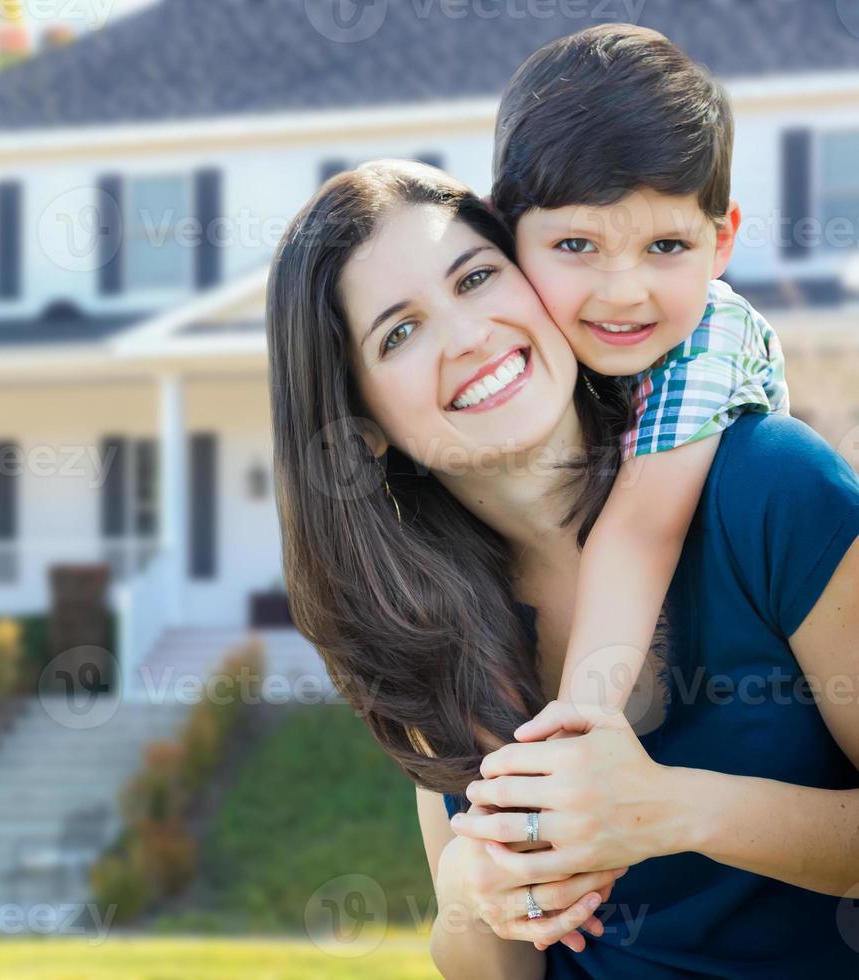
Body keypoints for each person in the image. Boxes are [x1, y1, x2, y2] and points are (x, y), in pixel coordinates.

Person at [265, 158, 859, 976]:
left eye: (475, 278)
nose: (468, 336)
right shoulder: (425, 623)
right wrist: (472, 892)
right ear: (360, 424)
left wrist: (673, 811)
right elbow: (496, 961)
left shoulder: (767, 487)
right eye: (398, 333)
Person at [490, 24, 788, 720]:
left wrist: (581, 721)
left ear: (719, 242)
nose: (623, 292)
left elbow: (641, 533)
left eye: (664, 244)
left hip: (735, 642)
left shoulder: (710, 339)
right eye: (575, 243)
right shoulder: (530, 348)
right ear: (507, 237)